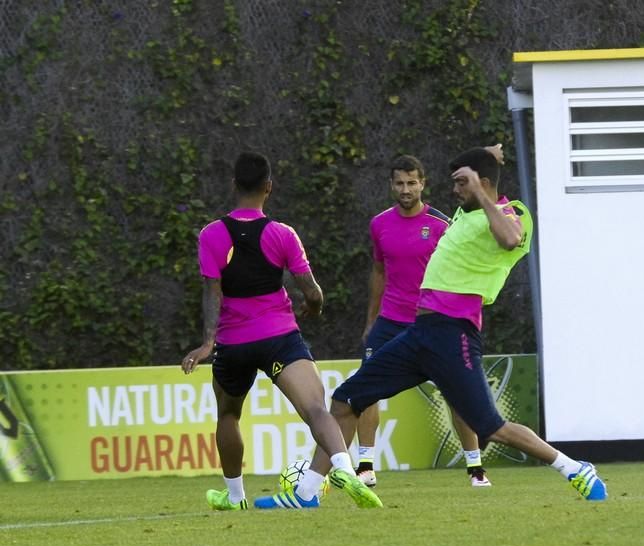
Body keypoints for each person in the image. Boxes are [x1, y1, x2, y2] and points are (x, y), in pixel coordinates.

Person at [256, 146, 607, 507]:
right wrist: (484, 157)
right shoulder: (465, 211)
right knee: (345, 401)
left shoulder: (510, 213)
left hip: (454, 335)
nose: (454, 190)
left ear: (482, 185)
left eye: (461, 184)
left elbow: (510, 239)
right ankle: (307, 494)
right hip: (418, 334)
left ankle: (574, 469)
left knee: (492, 428)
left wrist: (483, 192)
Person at [182, 151, 382, 510]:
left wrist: (207, 342)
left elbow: (212, 290)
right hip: (279, 337)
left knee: (228, 415)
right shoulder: (282, 234)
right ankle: (343, 468)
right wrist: (314, 307)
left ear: (233, 186)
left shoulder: (211, 234)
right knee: (316, 409)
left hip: (233, 343)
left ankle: (235, 496)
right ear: (269, 188)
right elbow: (313, 291)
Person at [356, 150, 503, 488]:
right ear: (391, 185)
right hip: (390, 321)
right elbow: (378, 271)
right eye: (399, 183)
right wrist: (371, 320)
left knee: (456, 394)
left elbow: (464, 269)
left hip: (436, 324)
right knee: (365, 390)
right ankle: (365, 465)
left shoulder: (442, 224)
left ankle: (475, 467)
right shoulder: (379, 224)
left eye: (411, 183)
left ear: (423, 184)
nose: (405, 189)